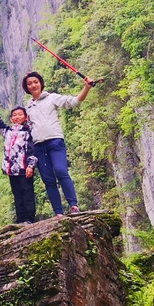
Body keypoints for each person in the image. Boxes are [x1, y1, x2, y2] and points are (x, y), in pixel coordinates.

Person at [21, 71, 94, 216]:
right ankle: (58, 213)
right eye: (29, 83)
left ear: (41, 83)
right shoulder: (28, 107)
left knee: (61, 170)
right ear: (26, 88)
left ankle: (74, 206)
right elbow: (26, 127)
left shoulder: (52, 98)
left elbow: (73, 102)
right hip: (38, 146)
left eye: (35, 82)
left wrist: (86, 87)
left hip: (55, 141)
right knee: (48, 179)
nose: (33, 85)